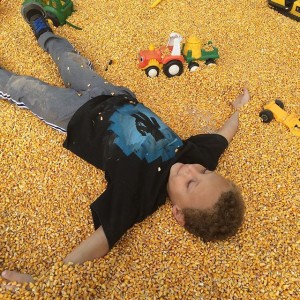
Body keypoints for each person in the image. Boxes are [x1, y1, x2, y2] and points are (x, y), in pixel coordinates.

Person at [1, 10, 249, 286]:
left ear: (178, 212)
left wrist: (44, 283)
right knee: (68, 58)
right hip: (110, 93)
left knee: (25, 88)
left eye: (191, 184)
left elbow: (103, 239)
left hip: (76, 117)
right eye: (204, 171)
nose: (191, 170)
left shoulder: (140, 194)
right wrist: (239, 111)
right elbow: (223, 137)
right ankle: (41, 29)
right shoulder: (194, 157)